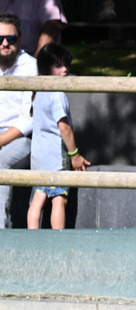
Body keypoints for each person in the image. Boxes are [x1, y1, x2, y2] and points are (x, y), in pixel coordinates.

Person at [27, 43, 89, 230]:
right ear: (46, 68)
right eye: (58, 66)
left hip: (38, 155)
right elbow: (64, 128)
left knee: (38, 197)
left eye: (66, 65)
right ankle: (58, 242)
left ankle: (31, 239)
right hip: (55, 155)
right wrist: (75, 155)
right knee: (59, 199)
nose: (65, 70)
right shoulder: (57, 93)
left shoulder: (38, 91)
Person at [0, 14, 37, 228]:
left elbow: (28, 119)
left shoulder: (31, 66)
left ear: (20, 39)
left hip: (22, 139)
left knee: (1, 161)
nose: (5, 43)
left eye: (10, 38)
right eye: (0, 38)